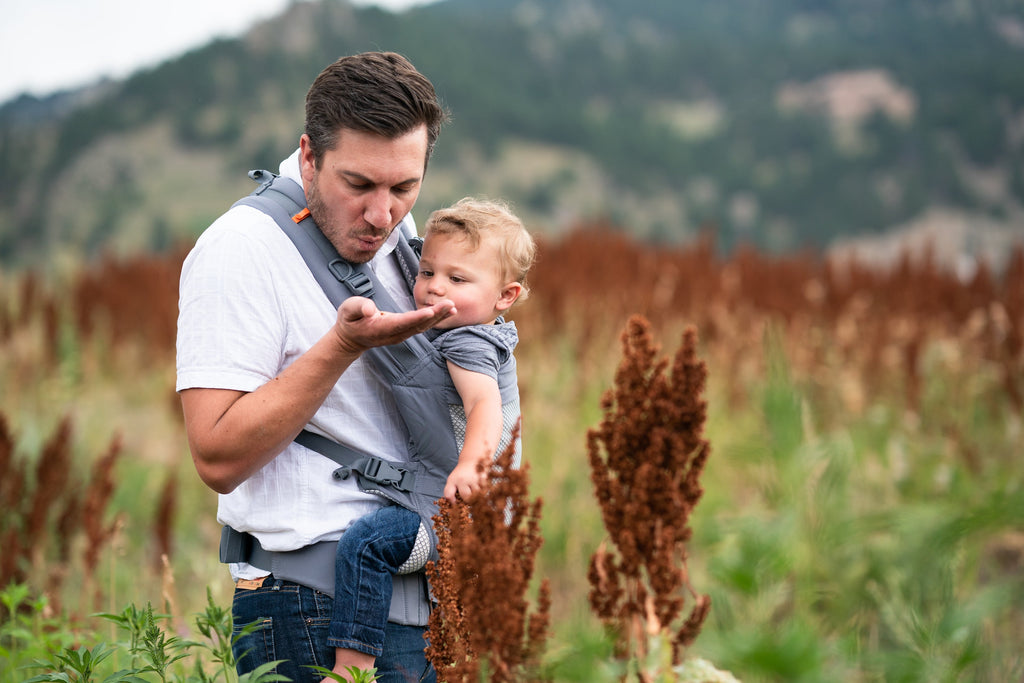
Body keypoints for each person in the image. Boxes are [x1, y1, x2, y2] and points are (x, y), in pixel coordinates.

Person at [176, 52, 452, 683]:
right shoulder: (239, 251)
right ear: (308, 156)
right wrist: (341, 347)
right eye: (358, 185)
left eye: (403, 187)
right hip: (310, 611)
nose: (383, 215)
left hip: (418, 593)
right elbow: (216, 456)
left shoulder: (394, 228)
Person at [326, 198, 537, 681]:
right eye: (426, 272)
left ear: (505, 296)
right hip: (464, 515)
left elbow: (483, 405)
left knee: (368, 544)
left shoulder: (470, 342)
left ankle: (350, 670)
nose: (433, 288)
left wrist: (472, 465)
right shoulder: (462, 329)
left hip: (455, 514)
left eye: (458, 280)